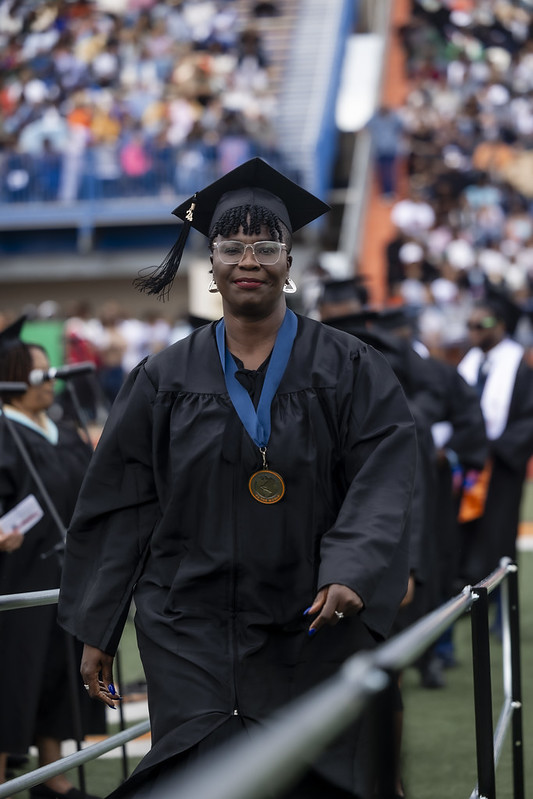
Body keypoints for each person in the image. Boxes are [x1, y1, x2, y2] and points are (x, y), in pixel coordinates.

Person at [58, 158, 417, 799]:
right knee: (205, 775)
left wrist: (353, 566)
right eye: (231, 247)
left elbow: (384, 476)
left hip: (310, 621)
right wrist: (98, 625)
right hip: (191, 625)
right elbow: (121, 505)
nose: (248, 259)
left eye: (266, 246)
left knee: (313, 777)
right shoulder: (163, 379)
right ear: (212, 268)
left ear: (288, 263)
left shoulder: (351, 368)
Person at [0, 317, 105, 799]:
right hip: (16, 576)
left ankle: (53, 775)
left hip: (67, 571)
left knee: (59, 671)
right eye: (39, 373)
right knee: (13, 674)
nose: (51, 381)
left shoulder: (60, 427)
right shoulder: (5, 432)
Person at [456, 294, 533, 586]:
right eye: (469, 324)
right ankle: (464, 586)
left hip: (500, 467)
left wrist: (495, 450)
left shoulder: (521, 366)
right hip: (466, 463)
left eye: (482, 323)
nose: (474, 329)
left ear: (501, 325)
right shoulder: (469, 361)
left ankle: (498, 595)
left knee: (497, 532)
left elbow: (529, 416)